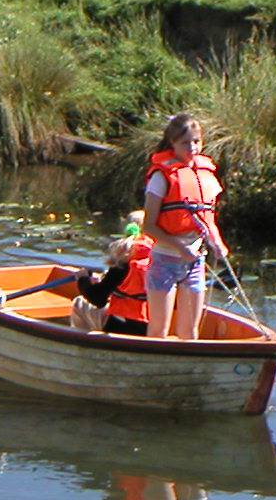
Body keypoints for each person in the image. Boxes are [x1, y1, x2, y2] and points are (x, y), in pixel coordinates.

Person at [140, 113, 227, 340]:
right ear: (172, 143)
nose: (192, 147)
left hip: (194, 263)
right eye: (185, 142)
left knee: (190, 332)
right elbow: (148, 226)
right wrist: (179, 247)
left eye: (196, 141)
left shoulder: (204, 174)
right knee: (159, 330)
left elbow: (208, 220)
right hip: (164, 262)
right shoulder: (161, 177)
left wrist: (216, 242)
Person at [73, 211, 153, 335]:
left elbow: (98, 299)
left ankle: (80, 346)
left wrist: (83, 280)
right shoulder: (160, 257)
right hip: (152, 328)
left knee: (79, 302)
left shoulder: (124, 258)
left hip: (120, 327)